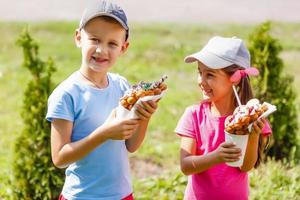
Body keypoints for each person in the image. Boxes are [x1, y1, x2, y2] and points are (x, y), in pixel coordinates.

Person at [46, 1, 159, 199]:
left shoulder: (122, 87)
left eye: (112, 43)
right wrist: (103, 134)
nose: (101, 50)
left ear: (124, 48)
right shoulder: (67, 94)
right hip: (82, 195)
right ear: (79, 38)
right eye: (95, 39)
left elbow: (131, 145)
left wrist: (144, 116)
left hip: (121, 194)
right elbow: (59, 157)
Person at [175, 36, 272, 200]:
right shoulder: (194, 115)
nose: (202, 81)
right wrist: (216, 157)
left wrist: (253, 135)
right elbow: (185, 166)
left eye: (210, 75)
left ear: (234, 79)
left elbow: (245, 167)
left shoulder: (251, 117)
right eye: (200, 72)